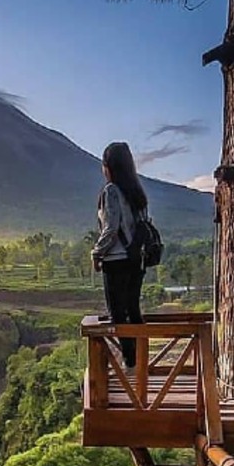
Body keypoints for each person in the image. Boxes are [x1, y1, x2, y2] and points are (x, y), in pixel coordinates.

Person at [91, 141, 148, 370]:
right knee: (133, 310)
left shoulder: (111, 191)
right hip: (137, 259)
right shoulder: (137, 192)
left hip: (116, 261)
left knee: (118, 315)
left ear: (108, 167)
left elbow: (111, 228)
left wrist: (97, 252)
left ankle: (131, 365)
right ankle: (140, 364)